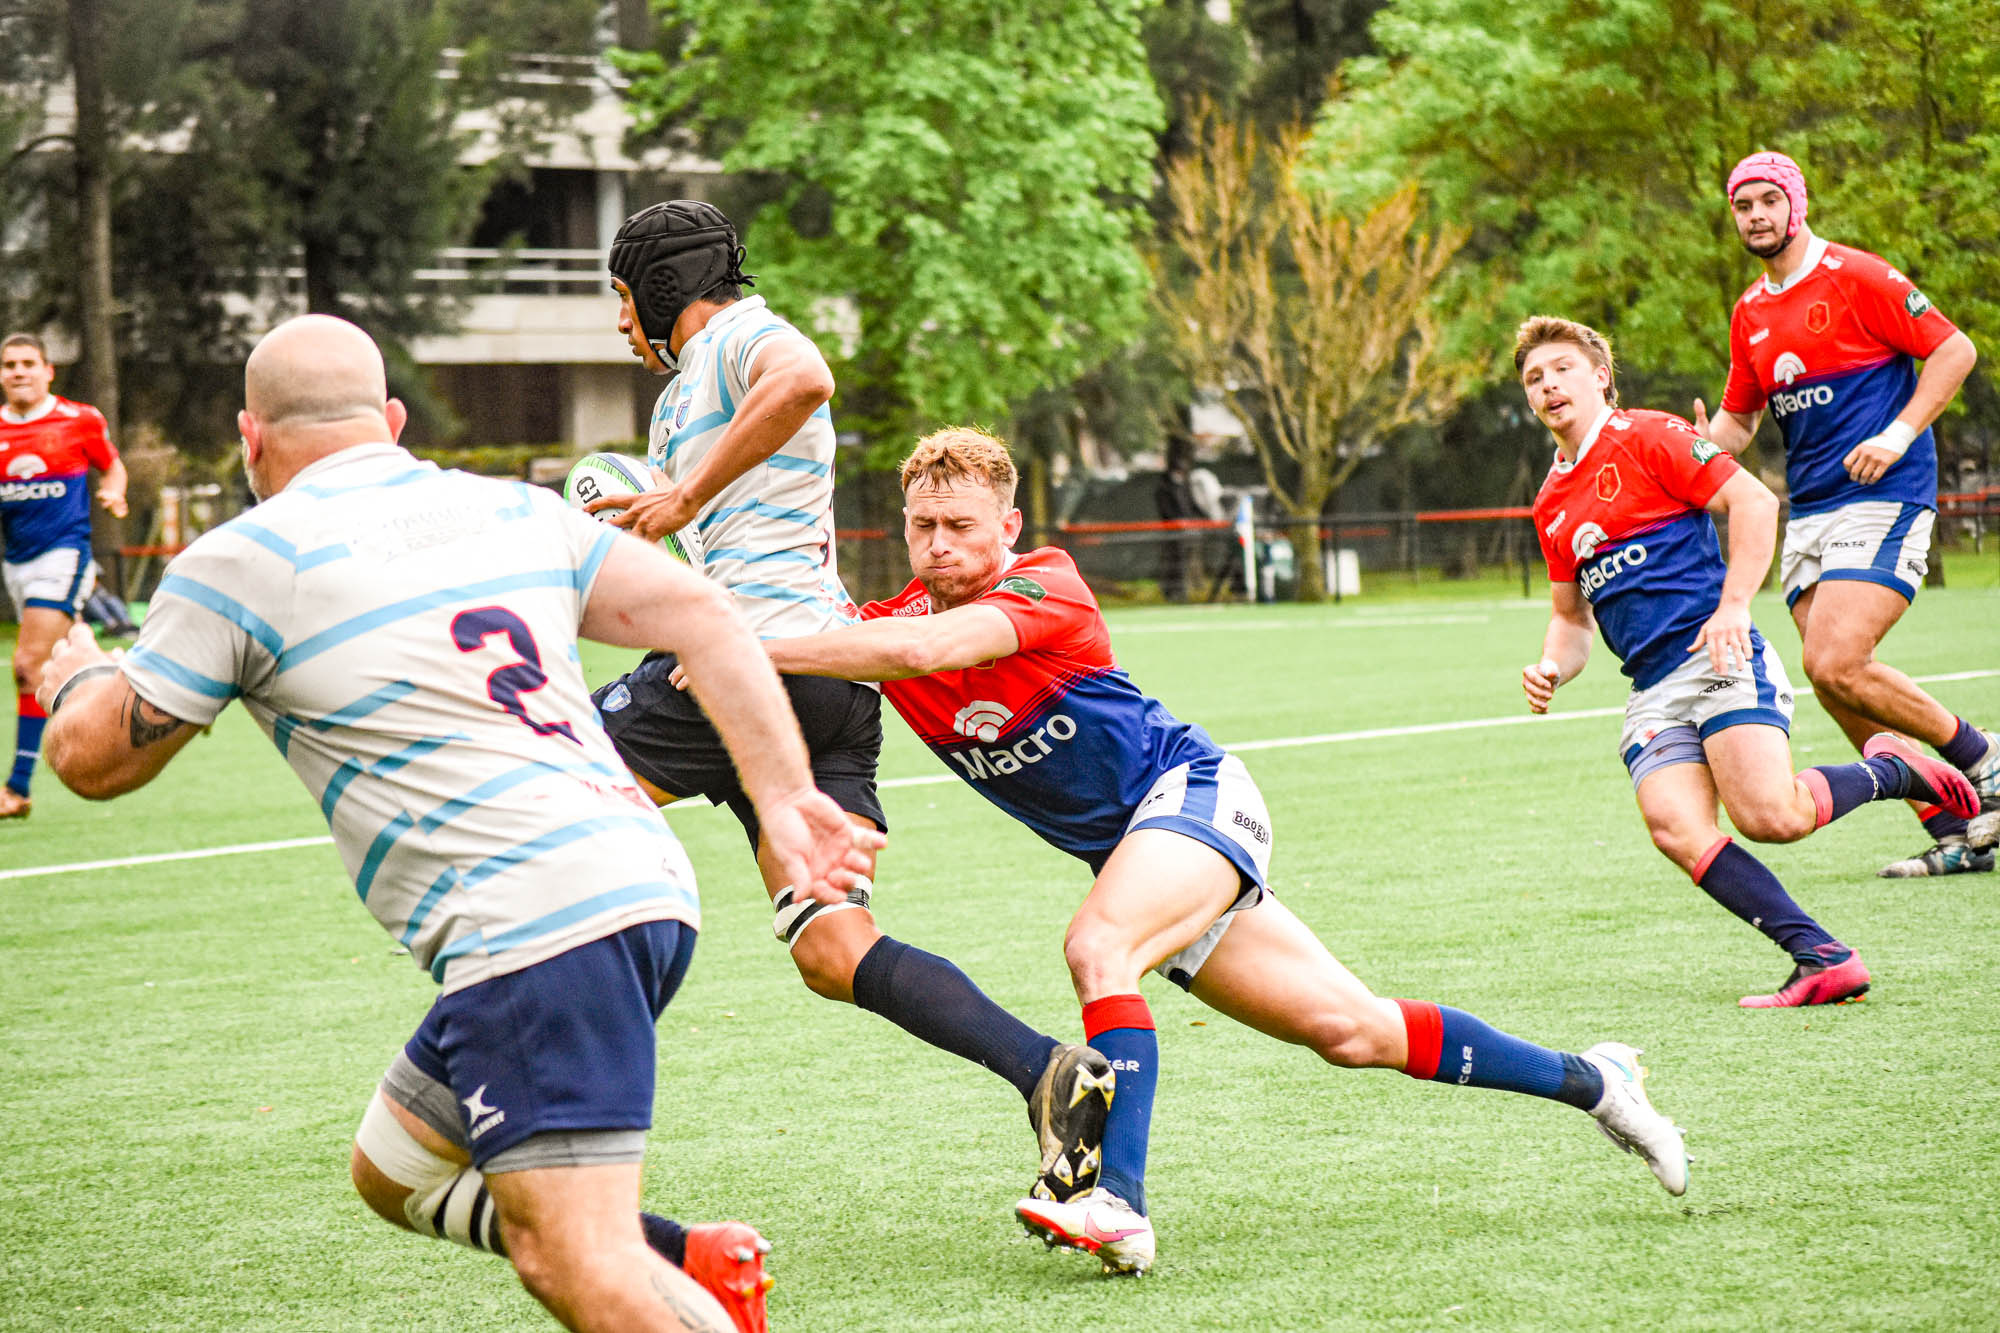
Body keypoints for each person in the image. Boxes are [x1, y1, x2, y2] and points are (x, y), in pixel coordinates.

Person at [32, 314, 883, 1333]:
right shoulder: (512, 510)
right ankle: (683, 1263)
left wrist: (75, 673)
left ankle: (640, 1269)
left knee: (577, 1263)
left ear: (249, 438)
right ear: (391, 420)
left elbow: (94, 761)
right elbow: (706, 614)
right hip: (642, 887)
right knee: (395, 1166)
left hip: (531, 925)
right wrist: (784, 800)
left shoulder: (241, 561)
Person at [684, 425, 1696, 1276]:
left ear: (1009, 527)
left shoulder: (1044, 585)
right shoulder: (883, 622)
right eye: (922, 527)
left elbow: (920, 652)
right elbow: (853, 647)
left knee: (1098, 947)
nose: (939, 544)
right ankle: (1596, 1080)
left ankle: (1115, 1202)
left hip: (1193, 797)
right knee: (1352, 1030)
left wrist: (740, 646)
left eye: (962, 526)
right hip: (1143, 849)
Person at [582, 201, 1114, 1208]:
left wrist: (681, 500)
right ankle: (1045, 1069)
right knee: (832, 949)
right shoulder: (687, 397)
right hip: (828, 688)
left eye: (620, 297)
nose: (619, 323)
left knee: (543, 788)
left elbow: (806, 379)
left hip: (751, 666)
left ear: (658, 284)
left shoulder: (741, 337)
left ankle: (528, 1104)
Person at [1515, 316, 1977, 1009]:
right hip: (1652, 687)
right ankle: (1822, 957)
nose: (1549, 385)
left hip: (1718, 655)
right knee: (1675, 827)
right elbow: (1570, 619)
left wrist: (1734, 605)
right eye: (1534, 378)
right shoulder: (1550, 504)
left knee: (1771, 817)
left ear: (1601, 377)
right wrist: (1552, 665)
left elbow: (1754, 501)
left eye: (1562, 369)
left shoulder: (1651, 435)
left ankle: (1897, 770)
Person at [1700, 151, 2000, 877]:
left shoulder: (1857, 275)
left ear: (1796, 204)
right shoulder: (1750, 311)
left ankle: (1984, 756)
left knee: (1833, 659)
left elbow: (1954, 350)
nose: (1756, 216)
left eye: (1769, 200)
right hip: (1809, 512)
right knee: (1836, 683)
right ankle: (1956, 825)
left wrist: (1898, 433)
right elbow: (1738, 423)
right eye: (1743, 206)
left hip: (1884, 495)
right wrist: (1696, 449)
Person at [0, 331, 127, 819]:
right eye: (10, 364)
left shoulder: (79, 420)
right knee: (62, 657)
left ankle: (16, 788)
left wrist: (114, 492)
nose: (19, 372)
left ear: (48, 371)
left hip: (63, 555)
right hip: (16, 561)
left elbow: (112, 467)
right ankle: (138, 680)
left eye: (28, 363)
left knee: (27, 665)